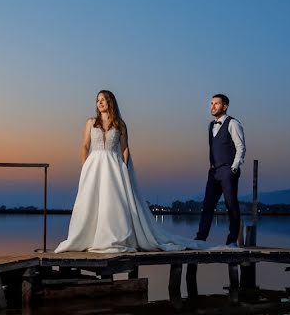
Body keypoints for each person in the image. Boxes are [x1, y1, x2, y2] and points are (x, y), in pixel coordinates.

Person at [55, 90, 202, 253]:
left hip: (113, 166)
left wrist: (124, 168)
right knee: (90, 201)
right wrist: (85, 166)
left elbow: (125, 148)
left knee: (111, 201)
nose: (99, 103)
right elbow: (84, 145)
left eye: (103, 100)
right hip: (93, 166)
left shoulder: (120, 124)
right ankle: (87, 238)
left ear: (110, 102)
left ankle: (112, 237)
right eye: (97, 100)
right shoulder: (91, 122)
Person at [195, 94, 246, 247]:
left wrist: (234, 168)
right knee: (208, 206)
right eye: (211, 103)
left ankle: (232, 241)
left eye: (216, 103)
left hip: (228, 171)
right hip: (214, 172)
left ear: (225, 106)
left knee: (231, 206)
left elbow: (241, 147)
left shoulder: (233, 123)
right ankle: (200, 238)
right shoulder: (211, 125)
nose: (213, 106)